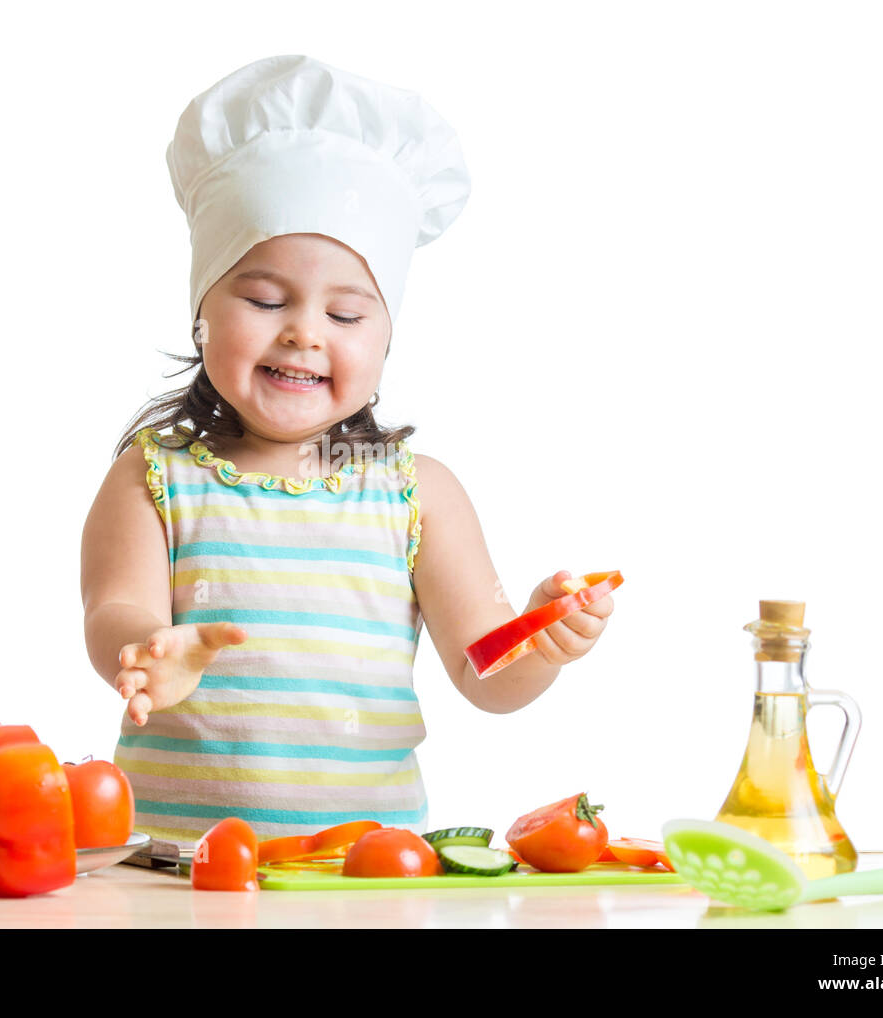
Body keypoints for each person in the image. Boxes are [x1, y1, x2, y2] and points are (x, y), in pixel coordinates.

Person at [80, 54, 614, 849]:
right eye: (265, 300)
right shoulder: (153, 478)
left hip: (368, 872)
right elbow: (113, 610)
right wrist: (151, 648)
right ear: (201, 314)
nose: (304, 331)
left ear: (387, 338)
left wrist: (542, 644)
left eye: (348, 314)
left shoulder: (416, 494)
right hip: (175, 867)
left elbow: (487, 674)